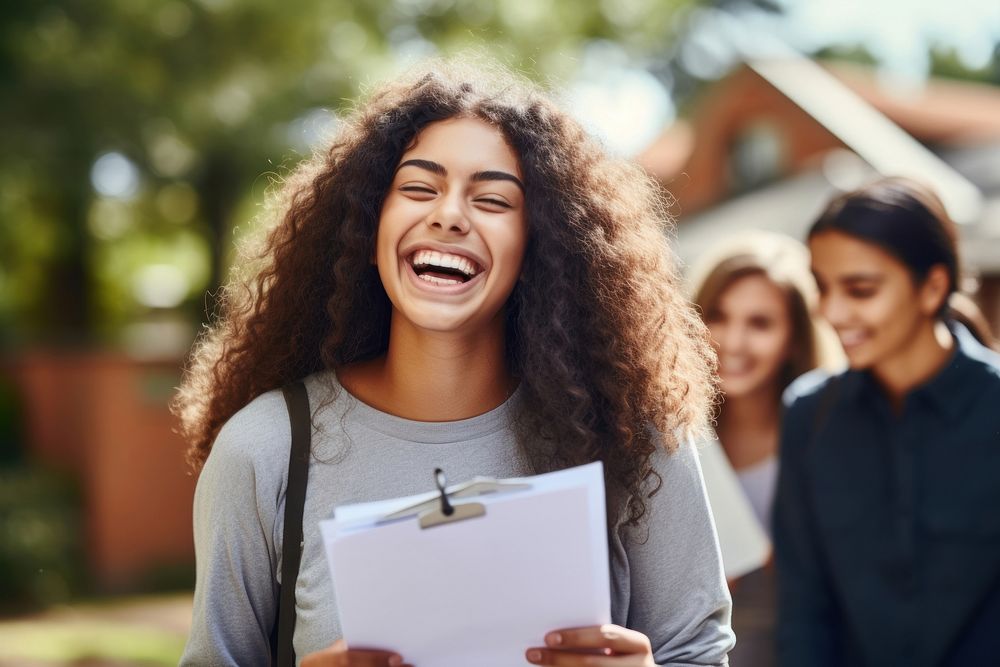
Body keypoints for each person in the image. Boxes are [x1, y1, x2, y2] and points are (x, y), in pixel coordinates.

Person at [174, 60, 734, 666]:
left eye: (492, 199)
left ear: (541, 244)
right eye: (418, 188)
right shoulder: (266, 449)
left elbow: (699, 652)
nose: (448, 215)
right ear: (366, 225)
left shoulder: (634, 434)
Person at [774, 177, 1000, 666]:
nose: (831, 311)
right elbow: (804, 612)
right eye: (822, 286)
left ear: (932, 287)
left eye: (860, 289)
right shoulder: (809, 416)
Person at [688, 231, 841, 666]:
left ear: (794, 336)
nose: (733, 342)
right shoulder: (666, 436)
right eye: (718, 315)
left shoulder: (827, 439)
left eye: (760, 323)